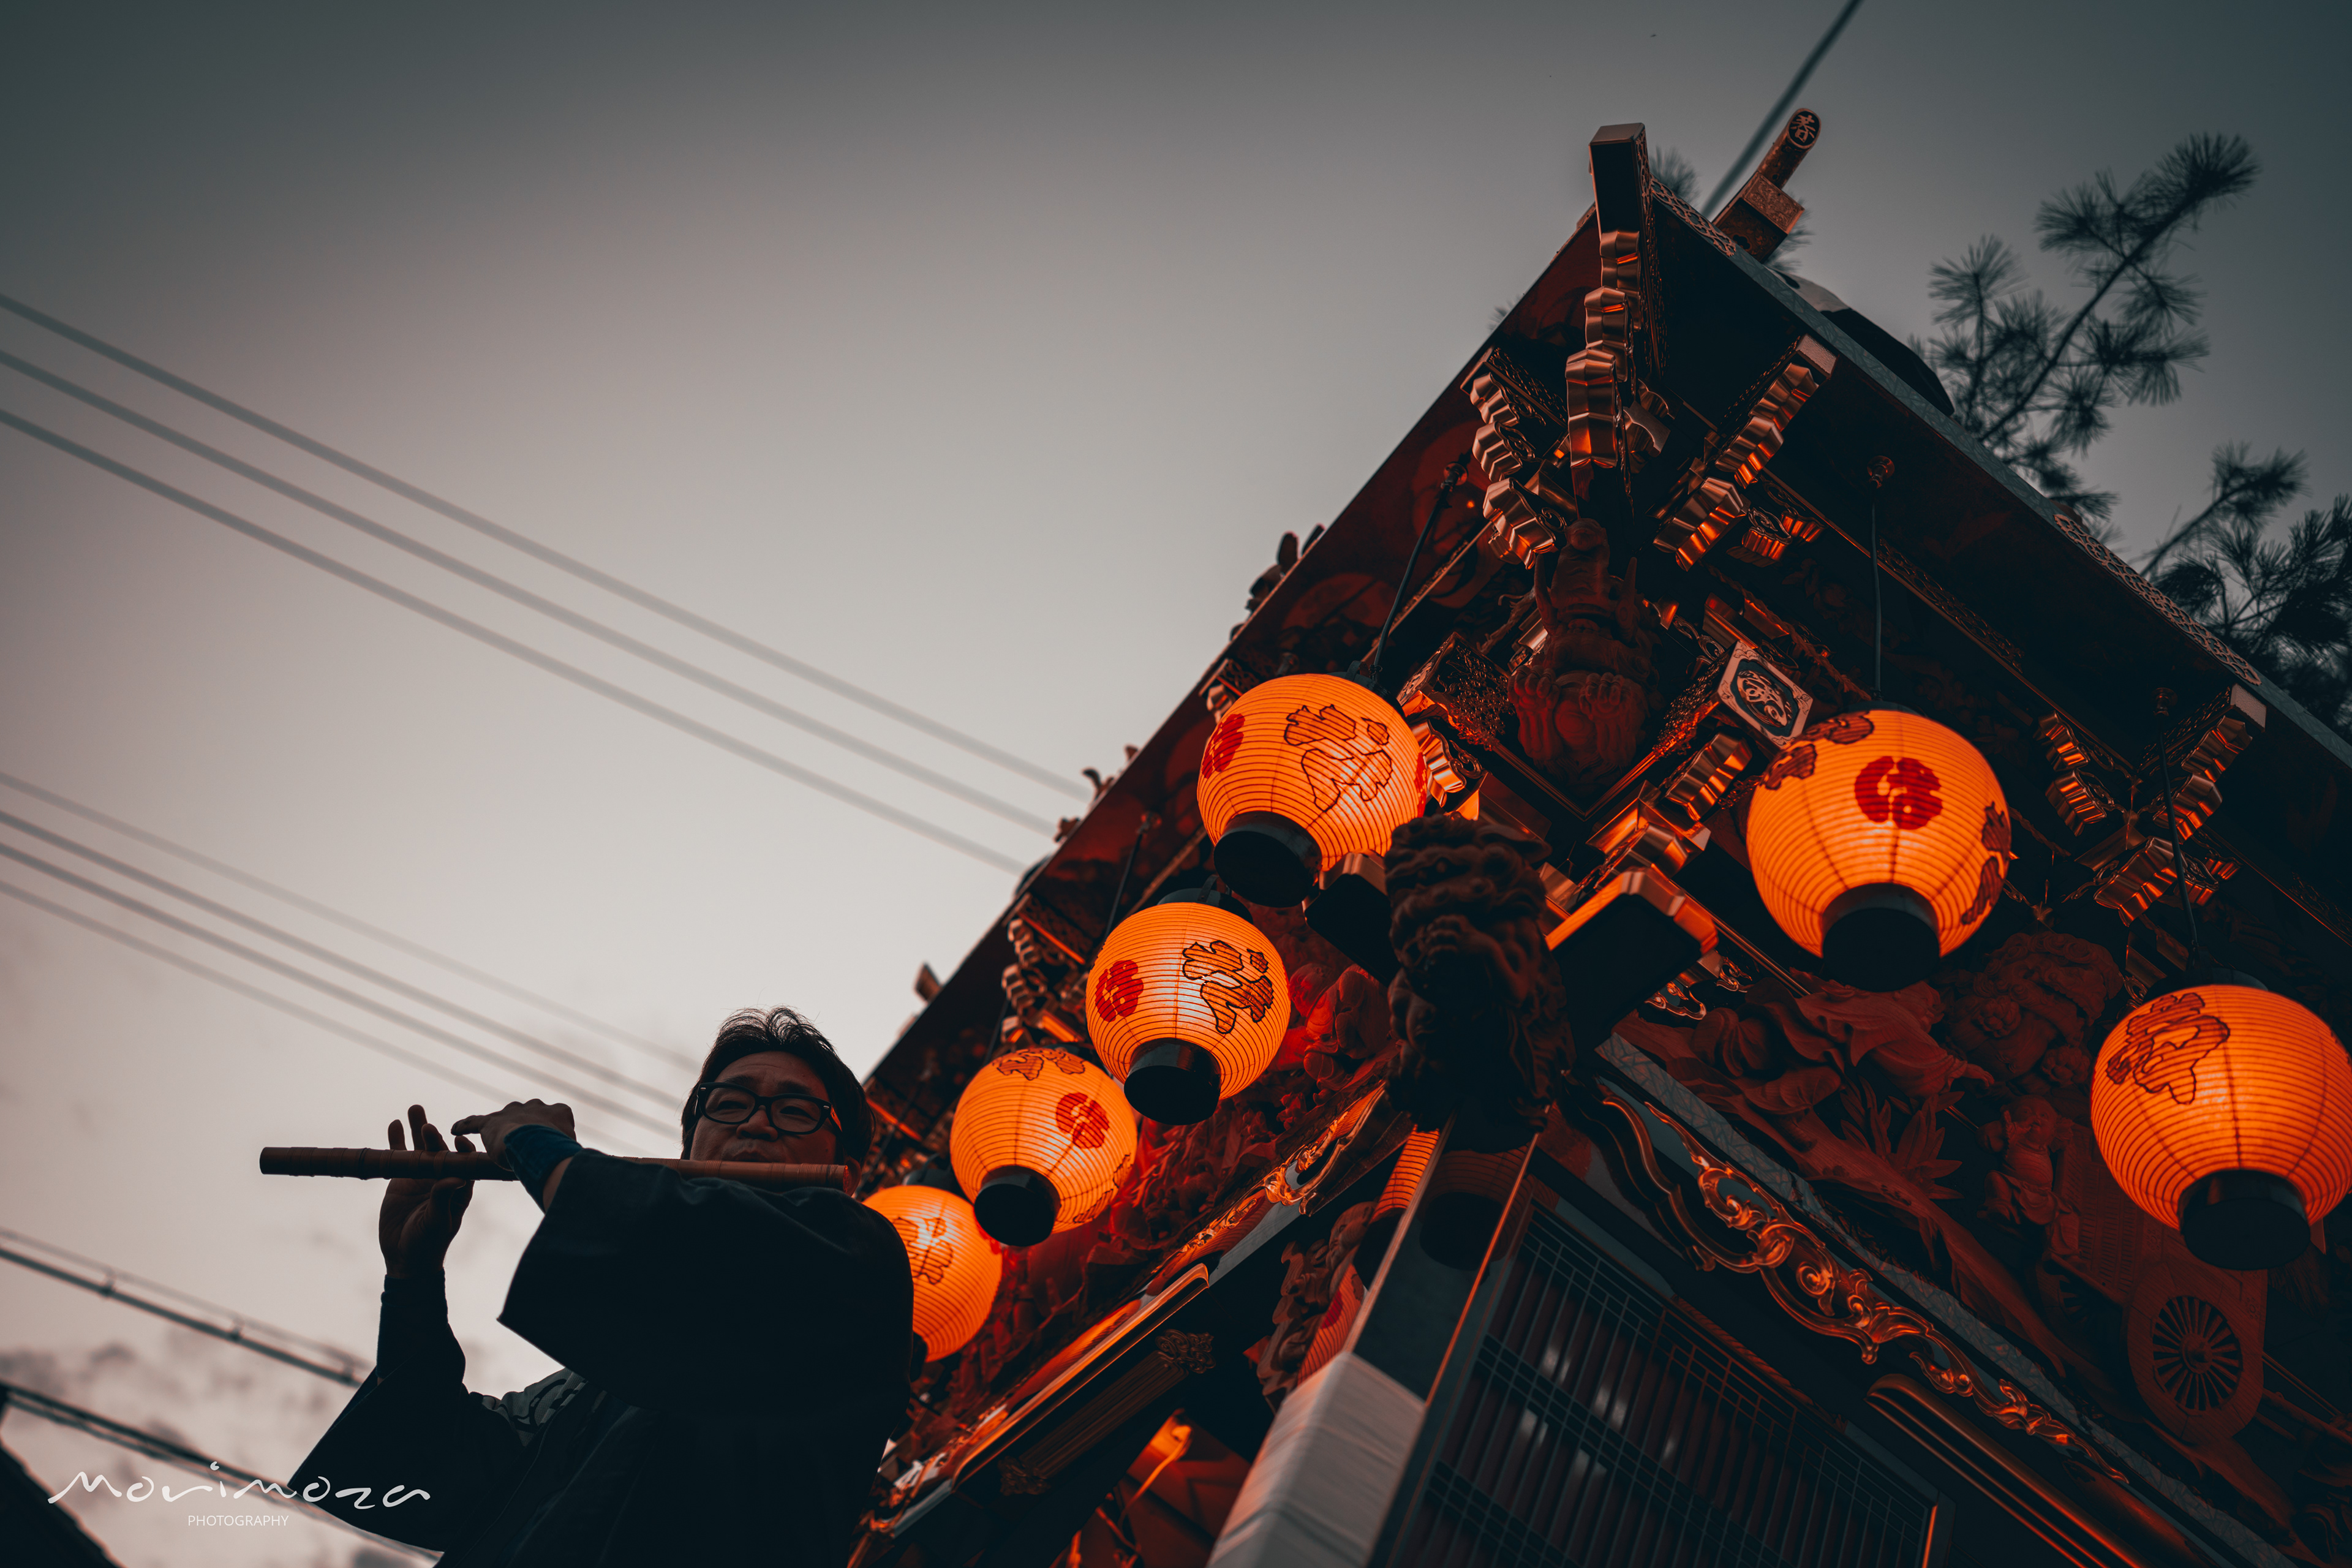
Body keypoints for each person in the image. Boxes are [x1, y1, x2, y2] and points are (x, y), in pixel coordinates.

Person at [295, 1007, 913, 1567]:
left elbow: (690, 1242)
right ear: (689, 1147)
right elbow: (439, 1470)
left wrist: (537, 1145)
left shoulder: (857, 1261)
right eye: (729, 1103)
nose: (757, 1122)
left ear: (848, 1175)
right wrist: (414, 1279)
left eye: (796, 1110)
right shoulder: (587, 1389)